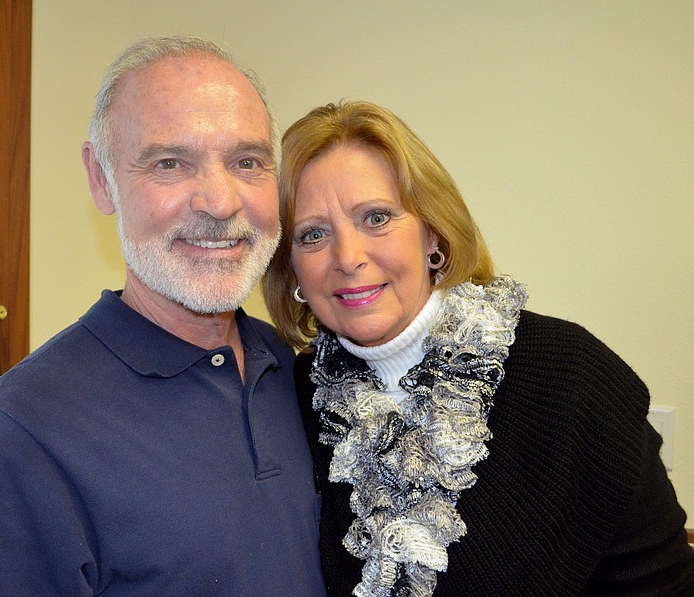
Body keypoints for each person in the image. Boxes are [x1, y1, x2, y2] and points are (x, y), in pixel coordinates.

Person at [0, 36, 326, 596]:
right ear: (101, 177)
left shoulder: (293, 371)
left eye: (247, 161)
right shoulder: (23, 435)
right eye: (169, 163)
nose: (220, 201)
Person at [263, 100, 694, 596]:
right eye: (313, 235)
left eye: (376, 218)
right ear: (291, 268)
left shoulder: (573, 379)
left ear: (433, 233)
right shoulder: (292, 402)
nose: (348, 257)